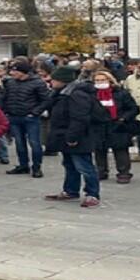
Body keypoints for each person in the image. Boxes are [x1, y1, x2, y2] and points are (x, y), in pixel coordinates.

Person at [43, 66, 102, 208]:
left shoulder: (76, 94)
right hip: (64, 134)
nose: (51, 82)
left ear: (63, 80)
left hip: (78, 136)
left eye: (54, 79)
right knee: (69, 164)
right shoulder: (61, 92)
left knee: (84, 166)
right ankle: (70, 190)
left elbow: (80, 118)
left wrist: (72, 137)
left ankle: (92, 194)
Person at [90, 70, 140, 185]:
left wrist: (123, 118)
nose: (100, 82)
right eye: (97, 80)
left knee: (120, 149)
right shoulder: (91, 94)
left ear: (109, 80)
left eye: (102, 80)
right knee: (99, 149)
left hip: (117, 124)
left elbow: (133, 108)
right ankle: (101, 171)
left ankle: (124, 173)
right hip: (98, 125)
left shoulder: (121, 93)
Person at [2, 61, 50, 177]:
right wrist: (6, 111)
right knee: (19, 143)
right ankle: (23, 165)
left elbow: (46, 100)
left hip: (30, 117)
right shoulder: (10, 82)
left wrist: (35, 112)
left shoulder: (38, 83)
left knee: (35, 143)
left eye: (15, 71)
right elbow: (6, 97)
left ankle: (36, 167)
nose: (12, 73)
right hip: (14, 116)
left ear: (23, 72)